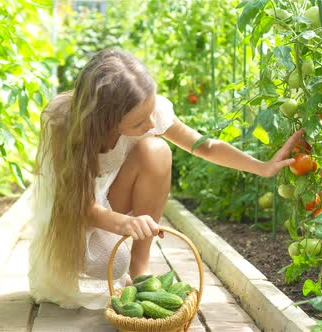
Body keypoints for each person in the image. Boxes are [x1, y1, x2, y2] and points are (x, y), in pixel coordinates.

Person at [27, 48, 304, 310]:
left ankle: (140, 265)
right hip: (73, 216)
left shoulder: (148, 110)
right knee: (112, 261)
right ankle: (120, 261)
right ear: (105, 121)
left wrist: (263, 167)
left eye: (150, 114)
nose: (151, 125)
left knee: (156, 149)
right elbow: (78, 205)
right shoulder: (65, 123)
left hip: (109, 198)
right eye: (138, 123)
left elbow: (204, 146)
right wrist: (125, 223)